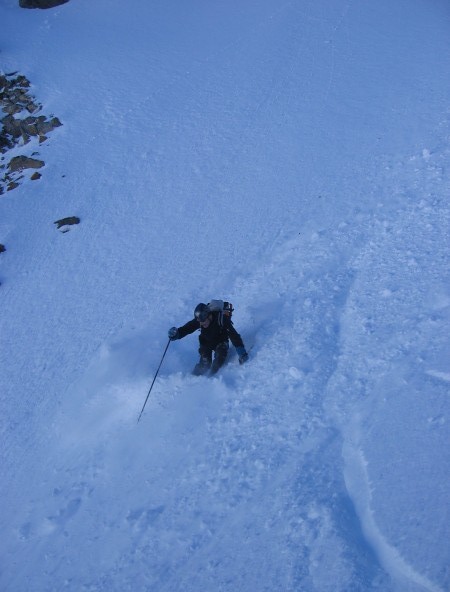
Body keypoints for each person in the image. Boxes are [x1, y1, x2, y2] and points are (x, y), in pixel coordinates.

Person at [168, 302, 249, 375]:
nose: (202, 324)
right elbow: (189, 327)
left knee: (219, 358)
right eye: (200, 322)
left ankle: (212, 377)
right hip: (206, 342)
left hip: (221, 342)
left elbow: (234, 335)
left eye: (203, 321)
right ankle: (192, 378)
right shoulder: (200, 319)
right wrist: (177, 334)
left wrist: (241, 352)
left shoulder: (221, 319)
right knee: (205, 364)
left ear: (209, 316)